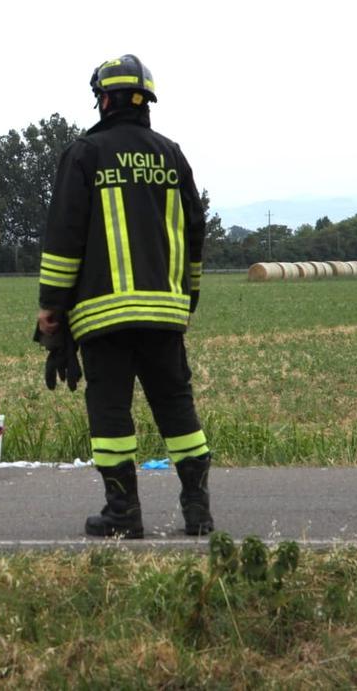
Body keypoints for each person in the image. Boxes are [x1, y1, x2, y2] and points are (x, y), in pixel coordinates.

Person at [36, 54, 212, 538]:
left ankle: (123, 513)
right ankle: (198, 510)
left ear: (104, 99)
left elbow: (65, 235)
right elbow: (195, 234)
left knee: (110, 411)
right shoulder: (172, 155)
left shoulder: (85, 154)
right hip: (165, 313)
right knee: (177, 408)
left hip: (103, 315)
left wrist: (51, 304)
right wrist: (187, 299)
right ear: (146, 102)